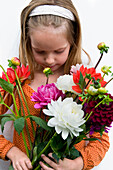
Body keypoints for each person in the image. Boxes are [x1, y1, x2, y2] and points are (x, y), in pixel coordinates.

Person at [0, 0, 110, 169]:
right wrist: (11, 150)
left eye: (59, 51)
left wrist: (77, 164)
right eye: (40, 51)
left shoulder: (85, 85)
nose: (49, 60)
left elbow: (100, 138)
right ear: (27, 41)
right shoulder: (16, 80)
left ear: (72, 42)